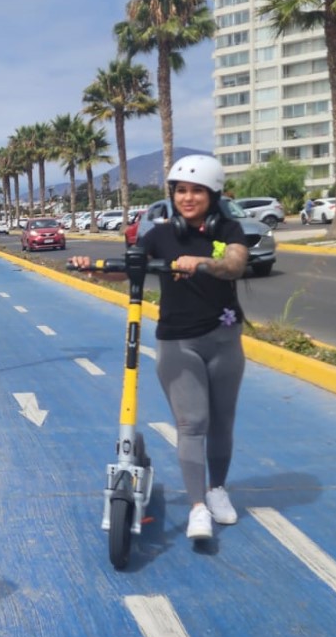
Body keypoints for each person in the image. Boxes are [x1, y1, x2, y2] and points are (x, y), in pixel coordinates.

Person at [70, 154, 248, 543]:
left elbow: (235, 264)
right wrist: (94, 269)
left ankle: (217, 490)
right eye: (181, 190)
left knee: (222, 422)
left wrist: (201, 262)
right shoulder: (159, 235)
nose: (187, 198)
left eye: (196, 191)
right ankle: (198, 507)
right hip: (177, 341)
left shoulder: (228, 231)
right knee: (192, 423)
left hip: (224, 339)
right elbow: (129, 268)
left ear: (213, 194)